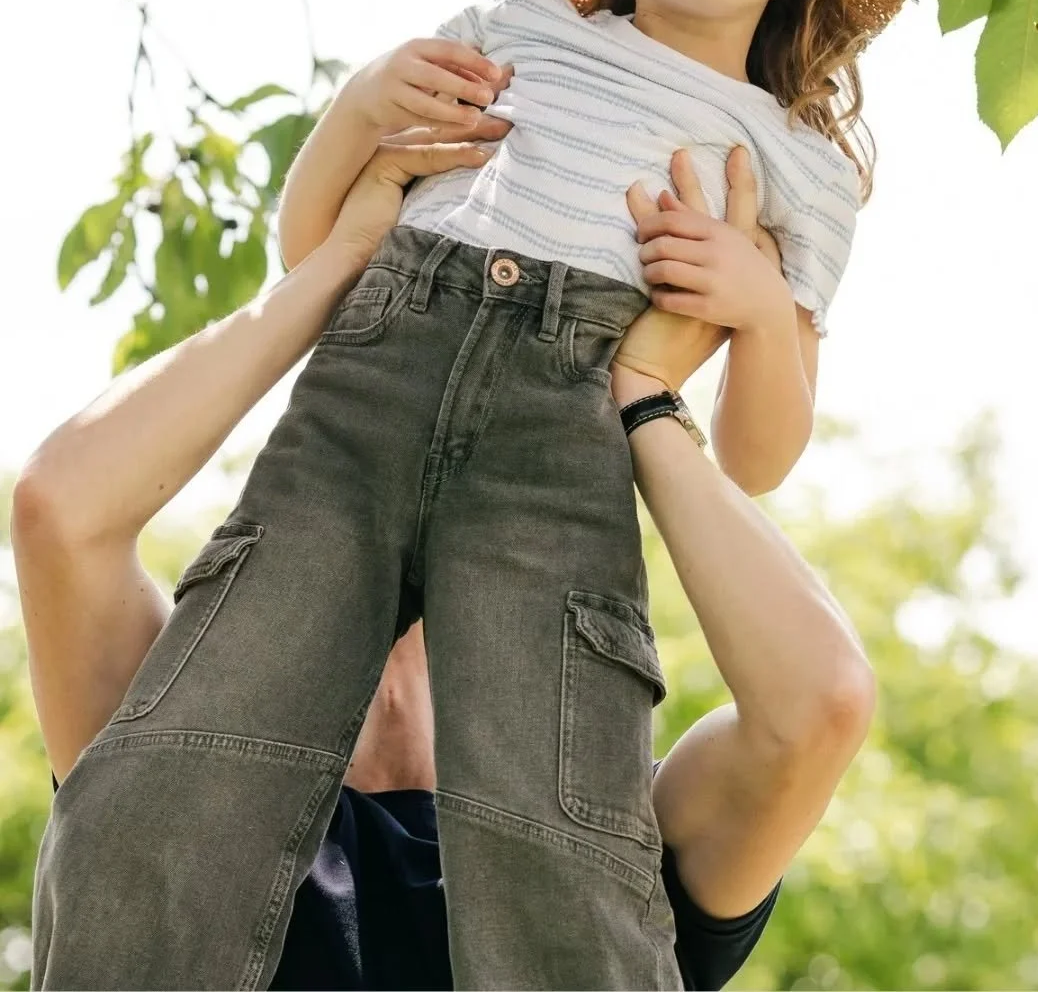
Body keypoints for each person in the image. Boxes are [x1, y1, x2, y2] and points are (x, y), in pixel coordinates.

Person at [30, 0, 936, 990]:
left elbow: (761, 455)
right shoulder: (523, 24)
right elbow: (320, 246)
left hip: (560, 428)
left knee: (559, 843)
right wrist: (359, 109)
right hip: (385, 352)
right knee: (180, 771)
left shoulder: (798, 169)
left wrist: (731, 329)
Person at [14, 131, 876, 990]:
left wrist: (643, 396)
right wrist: (342, 274)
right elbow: (60, 511)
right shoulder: (186, 759)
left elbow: (819, 707)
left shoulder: (605, 835)